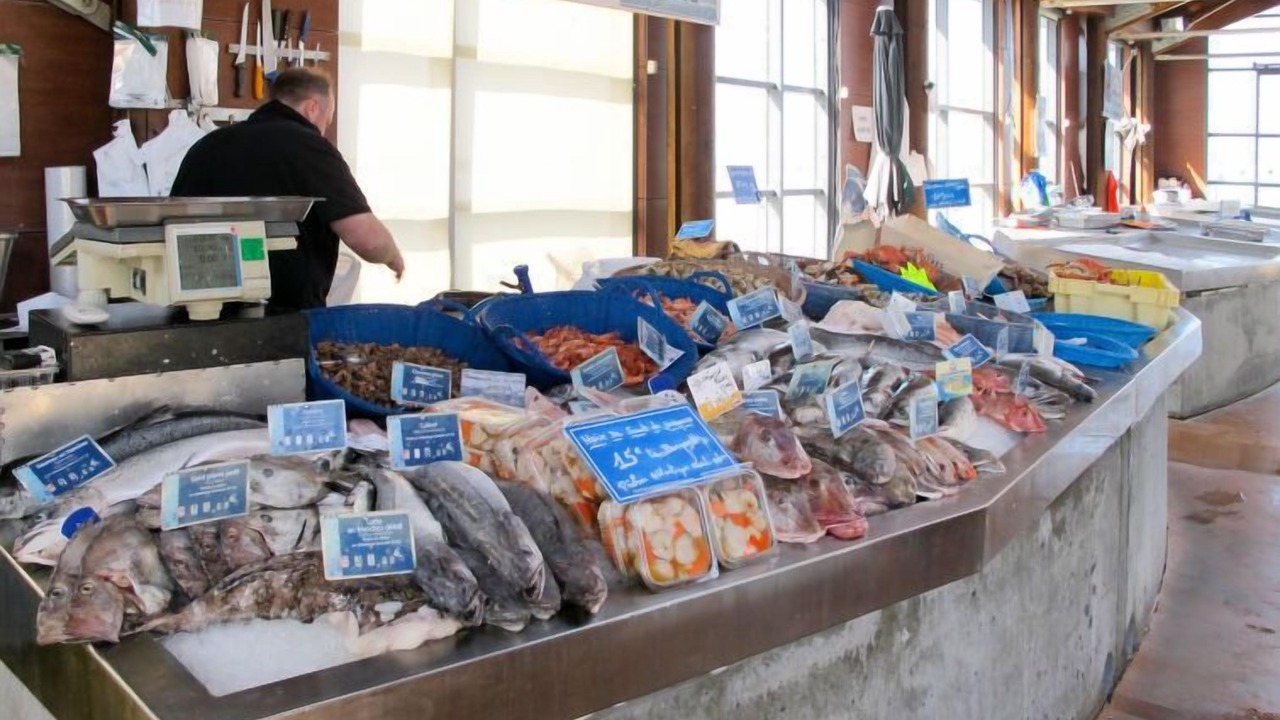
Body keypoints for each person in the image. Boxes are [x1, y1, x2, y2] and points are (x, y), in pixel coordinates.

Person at [171, 67, 404, 312]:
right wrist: (392, 256)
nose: (324, 129)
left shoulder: (208, 145)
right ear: (312, 107)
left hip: (198, 314)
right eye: (327, 121)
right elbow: (366, 238)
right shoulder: (310, 148)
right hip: (282, 318)